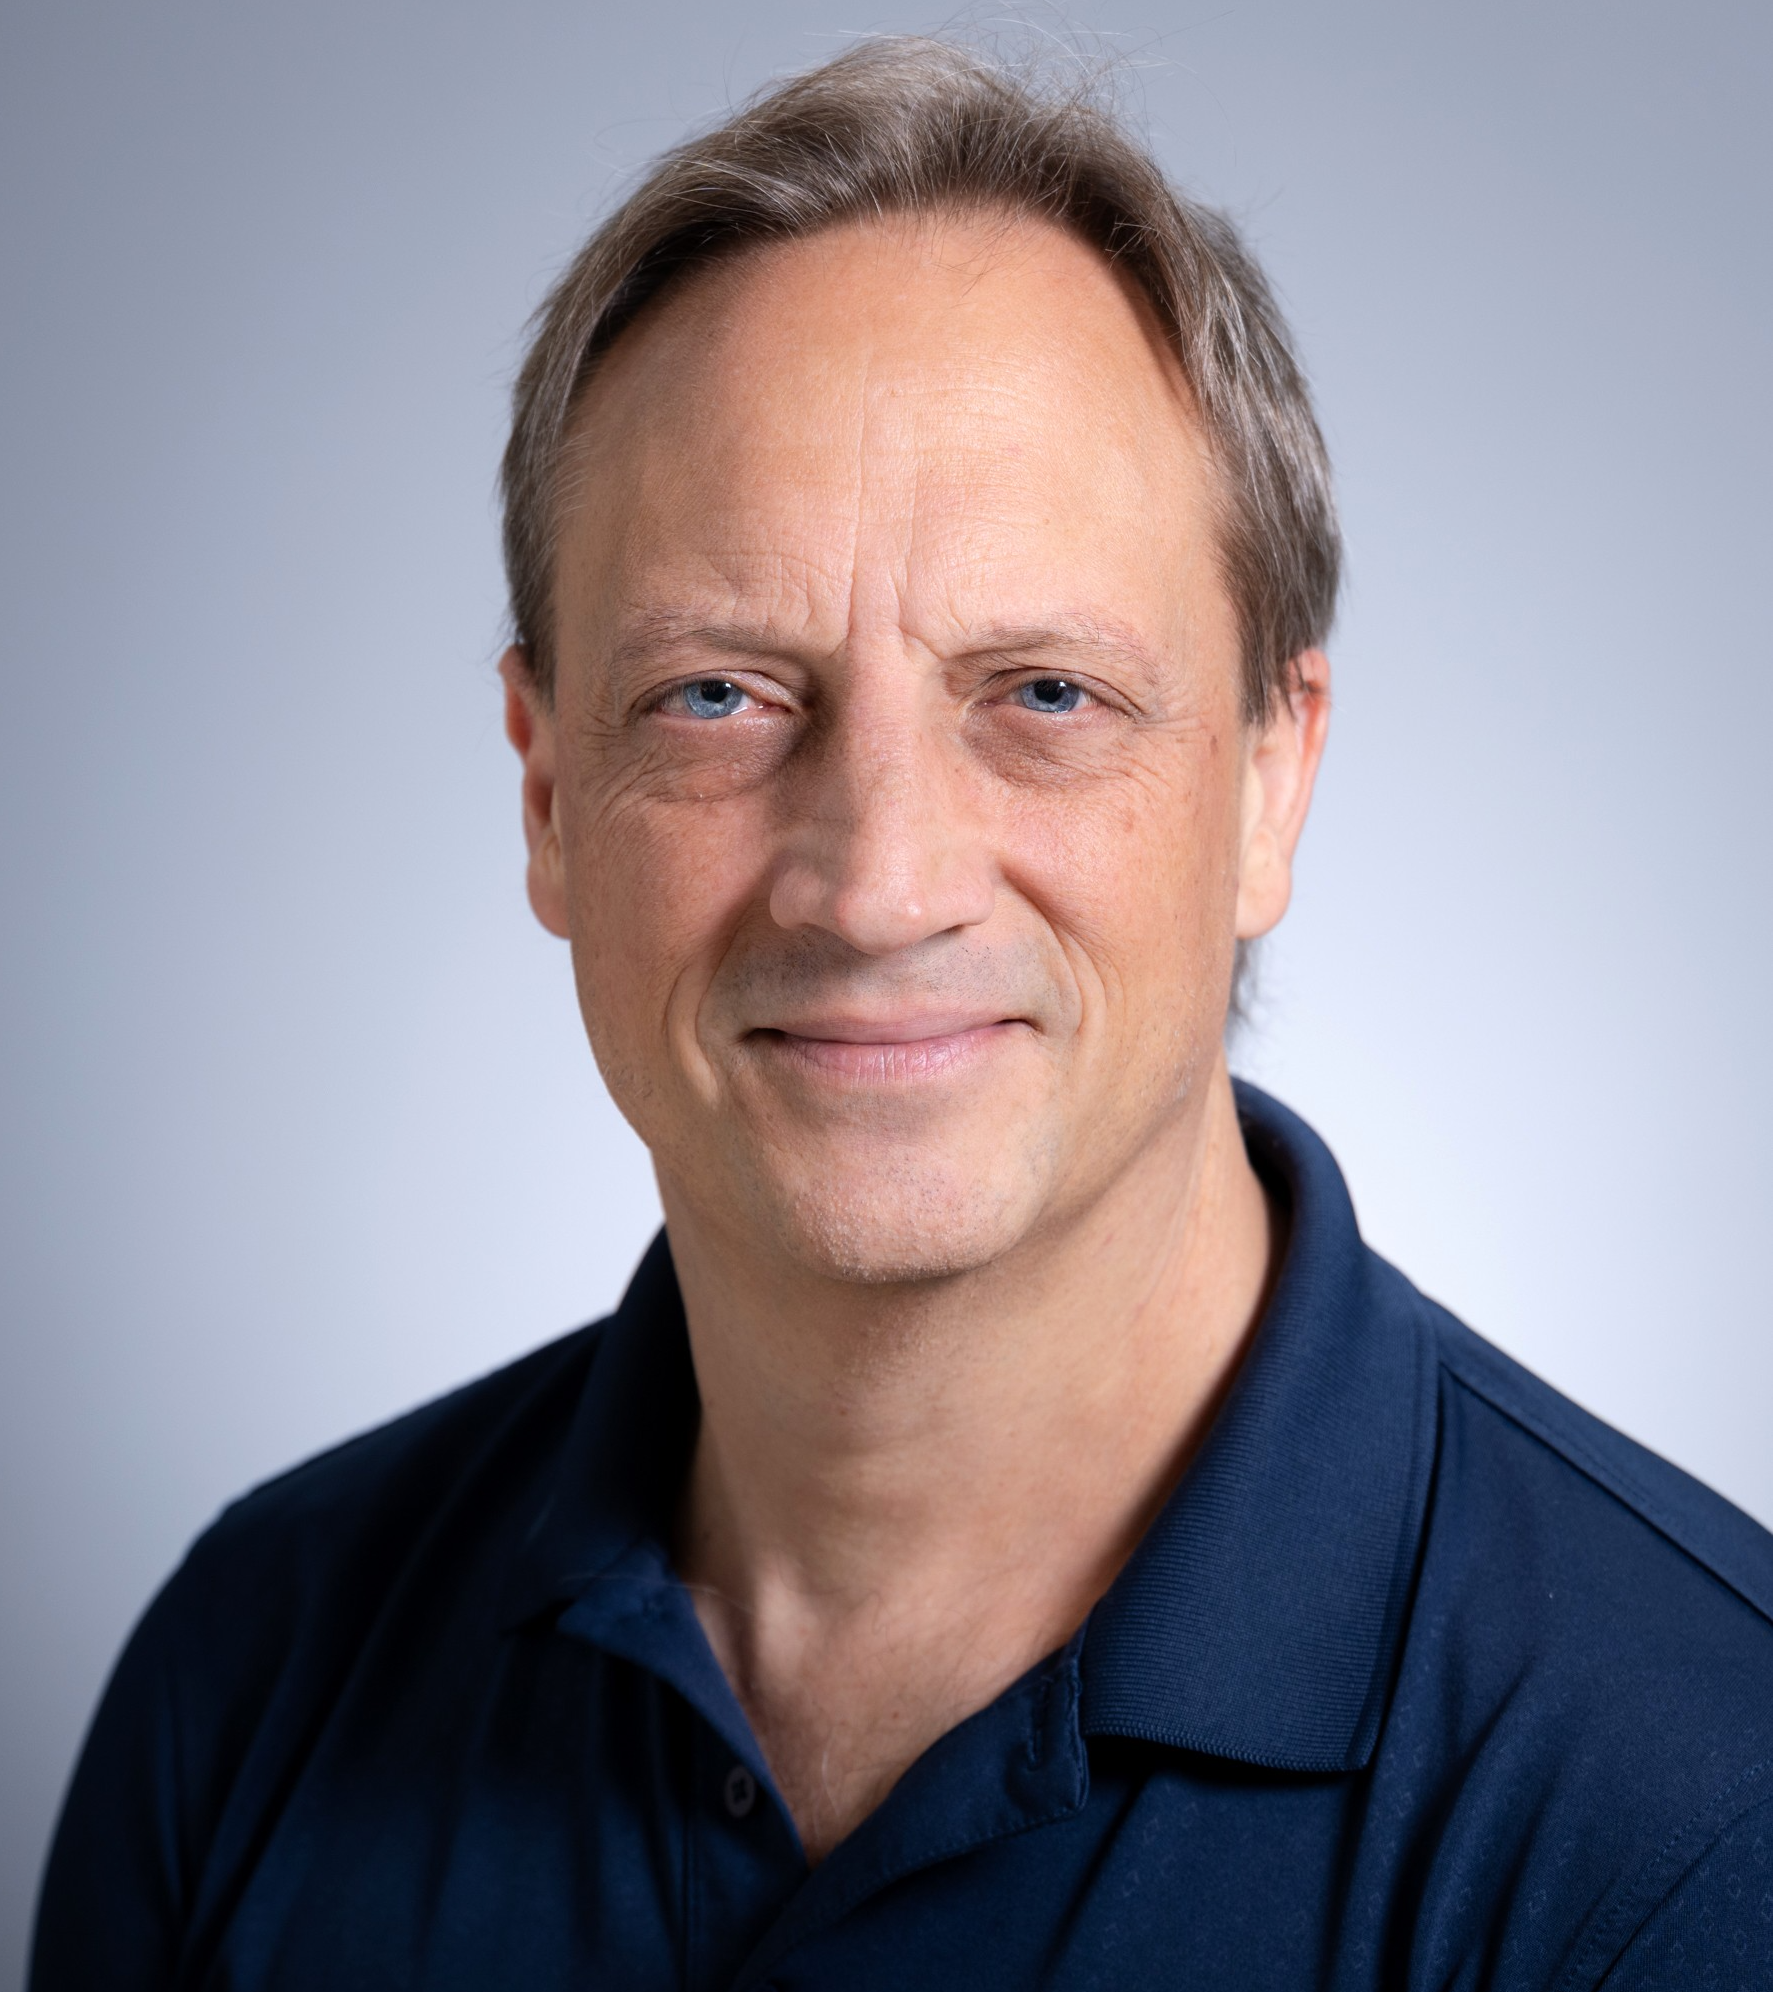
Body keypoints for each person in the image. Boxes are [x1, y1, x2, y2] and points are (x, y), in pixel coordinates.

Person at [32, 38, 1773, 1991]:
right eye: (717, 696)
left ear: (1271, 784)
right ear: (546, 792)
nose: (874, 885)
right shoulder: (254, 1675)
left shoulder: (1704, 1814)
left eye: (1044, 695)